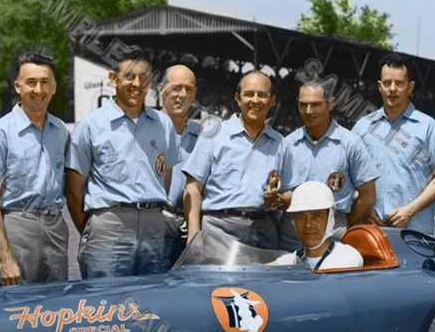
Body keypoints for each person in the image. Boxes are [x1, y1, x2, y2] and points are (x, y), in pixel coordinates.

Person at [66, 46, 178, 278]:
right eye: (129, 76)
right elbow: (73, 189)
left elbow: (165, 174)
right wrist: (95, 227)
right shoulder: (90, 126)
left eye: (143, 77)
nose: (137, 83)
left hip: (153, 227)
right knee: (105, 304)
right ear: (113, 79)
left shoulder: (164, 124)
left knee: (149, 301)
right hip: (109, 226)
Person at [0, 50, 69, 285]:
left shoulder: (61, 132)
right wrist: (4, 258)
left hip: (55, 229)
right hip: (16, 228)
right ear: (18, 86)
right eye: (31, 82)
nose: (38, 90)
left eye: (44, 82)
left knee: (54, 311)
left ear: (54, 87)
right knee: (13, 310)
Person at [182, 71, 287, 249]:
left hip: (263, 232)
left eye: (262, 95)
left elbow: (288, 192)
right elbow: (192, 187)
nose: (255, 100)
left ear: (272, 100)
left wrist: (277, 198)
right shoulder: (213, 134)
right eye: (248, 94)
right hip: (219, 229)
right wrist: (194, 235)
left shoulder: (281, 143)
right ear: (238, 99)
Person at [351, 53, 435, 234]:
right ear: (379, 87)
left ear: (410, 87)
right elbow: (350, 176)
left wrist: (410, 210)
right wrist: (363, 208)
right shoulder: (362, 127)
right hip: (371, 229)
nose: (392, 89)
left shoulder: (429, 127)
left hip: (415, 232)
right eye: (387, 83)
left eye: (399, 83)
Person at [279, 79, 378, 249]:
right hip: (293, 233)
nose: (309, 111)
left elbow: (368, 196)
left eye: (316, 104)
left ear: (330, 104)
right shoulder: (286, 144)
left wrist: (343, 222)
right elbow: (280, 191)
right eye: (303, 105)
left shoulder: (350, 143)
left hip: (333, 231)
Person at [158, 64, 199, 269]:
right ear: (161, 89)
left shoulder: (203, 136)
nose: (182, 95)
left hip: (191, 230)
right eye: (176, 88)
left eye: (188, 90)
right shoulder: (144, 129)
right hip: (154, 229)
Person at [271, 182, 364, 270]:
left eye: (316, 216)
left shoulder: (347, 259)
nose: (308, 224)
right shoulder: (288, 262)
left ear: (330, 218)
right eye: (300, 216)